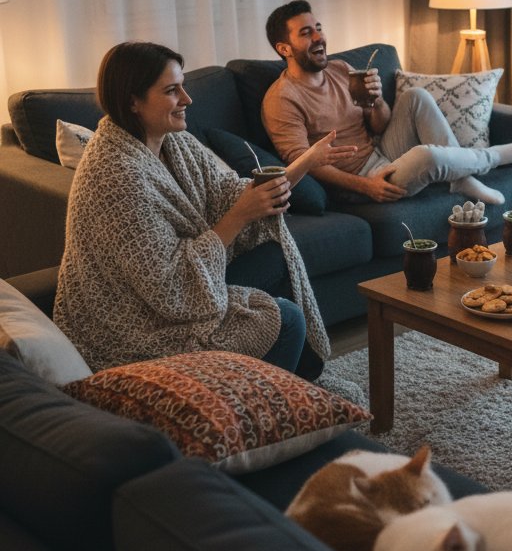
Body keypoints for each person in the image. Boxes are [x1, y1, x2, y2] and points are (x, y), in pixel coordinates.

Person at [55, 41, 355, 379]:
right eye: (172, 90)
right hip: (138, 324)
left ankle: (304, 382)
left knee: (274, 253)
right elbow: (169, 286)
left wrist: (307, 161)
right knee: (285, 319)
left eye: (183, 85)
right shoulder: (116, 177)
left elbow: (230, 193)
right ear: (132, 101)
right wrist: (242, 213)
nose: (187, 99)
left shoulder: (173, 141)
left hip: (181, 288)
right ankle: (268, 409)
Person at [261, 0, 512, 205]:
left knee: (416, 97)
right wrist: (366, 187)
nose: (318, 37)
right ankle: (496, 157)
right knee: (428, 156)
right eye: (305, 33)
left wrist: (375, 101)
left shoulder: (340, 69)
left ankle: (460, 178)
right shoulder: (282, 99)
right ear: (284, 48)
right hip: (359, 181)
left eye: (318, 28)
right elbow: (303, 166)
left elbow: (381, 125)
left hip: (381, 151)